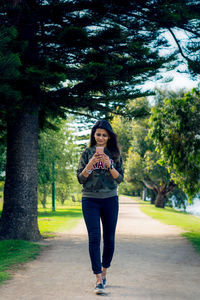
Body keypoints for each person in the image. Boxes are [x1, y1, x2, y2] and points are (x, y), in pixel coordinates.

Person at [77, 119, 124, 295]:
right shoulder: (86, 152)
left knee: (110, 238)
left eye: (105, 135)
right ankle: (98, 279)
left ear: (109, 136)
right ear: (94, 135)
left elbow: (119, 179)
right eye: (98, 134)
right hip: (90, 200)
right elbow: (81, 179)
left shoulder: (115, 153)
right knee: (94, 237)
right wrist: (90, 164)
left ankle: (104, 272)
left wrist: (108, 163)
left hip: (110, 199)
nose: (101, 138)